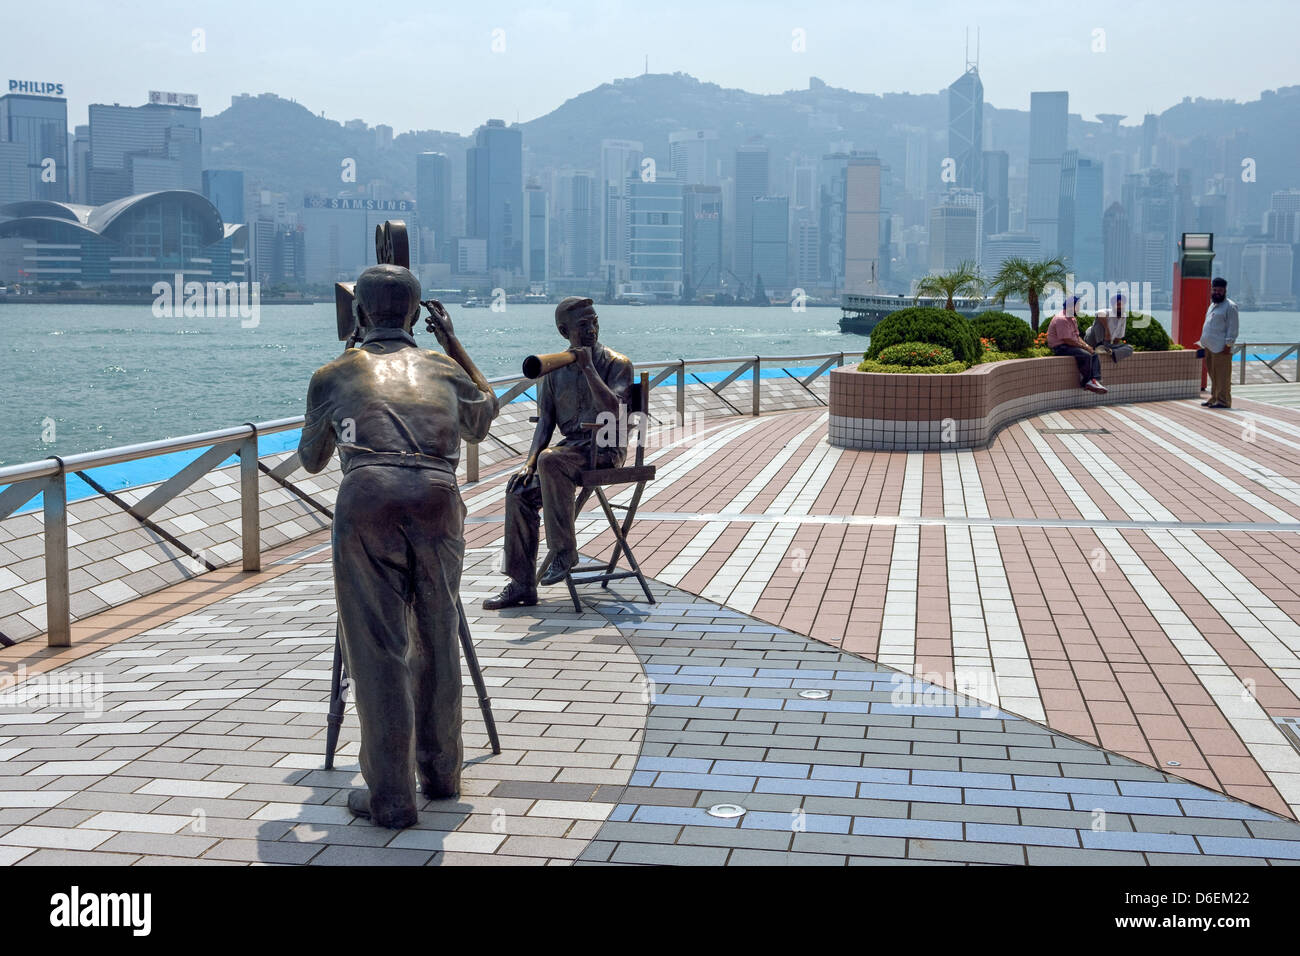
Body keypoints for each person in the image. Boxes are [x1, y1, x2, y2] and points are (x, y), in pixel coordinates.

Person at [298, 264, 499, 829]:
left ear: (359, 312)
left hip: (370, 497)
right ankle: (440, 772)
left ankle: (391, 794)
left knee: (378, 645)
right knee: (437, 632)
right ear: (414, 314)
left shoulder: (334, 371)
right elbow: (484, 416)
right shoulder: (442, 366)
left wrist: (342, 396)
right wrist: (455, 344)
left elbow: (312, 457)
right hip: (436, 496)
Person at [483, 296, 634, 609]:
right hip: (568, 454)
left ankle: (564, 552)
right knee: (519, 489)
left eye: (594, 321)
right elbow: (545, 425)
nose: (591, 329)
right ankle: (522, 584)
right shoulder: (553, 371)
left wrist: (589, 369)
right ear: (565, 332)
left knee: (550, 460)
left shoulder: (617, 364)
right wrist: (527, 464)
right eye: (583, 325)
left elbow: (616, 413)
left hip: (605, 448)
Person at [1048, 294, 1107, 394]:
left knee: (1094, 354)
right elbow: (1067, 340)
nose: (1079, 308)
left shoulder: (1072, 319)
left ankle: (1095, 380)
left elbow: (1077, 337)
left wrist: (1088, 346)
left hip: (1069, 345)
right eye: (1078, 306)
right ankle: (1087, 382)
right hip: (1060, 347)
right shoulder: (1061, 319)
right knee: (1086, 355)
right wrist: (1084, 347)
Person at [1199, 277, 1239, 409]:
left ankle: (1224, 401)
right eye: (1215, 290)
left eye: (1220, 290)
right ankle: (1214, 398)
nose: (1217, 292)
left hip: (1222, 348)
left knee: (1222, 376)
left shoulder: (1230, 306)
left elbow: (1233, 328)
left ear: (1225, 290)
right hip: (1209, 347)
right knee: (1213, 375)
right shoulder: (1212, 305)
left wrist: (1228, 346)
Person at [1086, 292, 1134, 363]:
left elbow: (1118, 337)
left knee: (1130, 348)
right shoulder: (1107, 312)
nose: (1120, 307)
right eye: (1117, 304)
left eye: (1122, 304)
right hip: (1093, 341)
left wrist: (1115, 348)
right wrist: (1107, 330)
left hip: (1107, 345)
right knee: (1099, 319)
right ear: (1112, 305)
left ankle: (1113, 353)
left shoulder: (1123, 317)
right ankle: (1100, 346)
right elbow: (1099, 313)